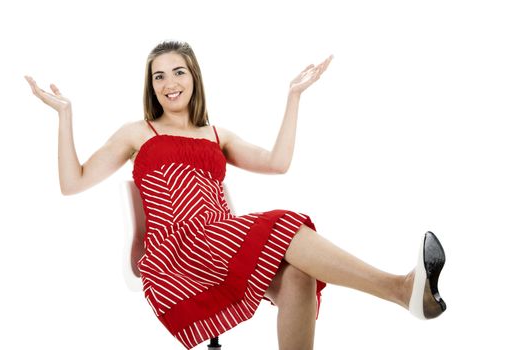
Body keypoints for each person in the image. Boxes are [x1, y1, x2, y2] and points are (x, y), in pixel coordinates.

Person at [24, 40, 446, 350]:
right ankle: (400, 289)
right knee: (284, 221)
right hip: (177, 251)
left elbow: (277, 162)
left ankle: (405, 292)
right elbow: (72, 182)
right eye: (159, 76)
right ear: (151, 87)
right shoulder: (137, 132)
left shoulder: (217, 135)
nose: (169, 83)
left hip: (220, 236)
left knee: (300, 272)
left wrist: (293, 97)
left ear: (194, 78)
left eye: (178, 72)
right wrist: (65, 115)